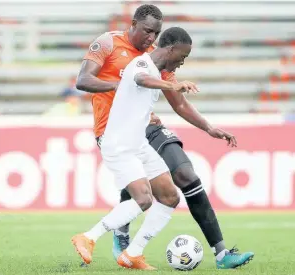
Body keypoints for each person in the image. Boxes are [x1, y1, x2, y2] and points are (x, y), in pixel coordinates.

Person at [76, 4, 254, 269]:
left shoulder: (157, 57)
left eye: (156, 33)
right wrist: (122, 86)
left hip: (145, 127)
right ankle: (112, 235)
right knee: (142, 195)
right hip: (114, 129)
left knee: (182, 181)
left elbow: (178, 102)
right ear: (134, 23)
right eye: (147, 31)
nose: (151, 38)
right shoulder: (109, 43)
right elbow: (83, 80)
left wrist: (208, 127)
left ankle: (220, 253)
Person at [71, 26, 199, 270]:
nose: (182, 63)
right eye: (182, 56)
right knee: (143, 198)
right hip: (119, 144)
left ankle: (133, 254)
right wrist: (173, 86)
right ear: (171, 49)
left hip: (137, 142)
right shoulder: (142, 65)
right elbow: (141, 80)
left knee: (170, 197)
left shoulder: (155, 69)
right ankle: (88, 237)